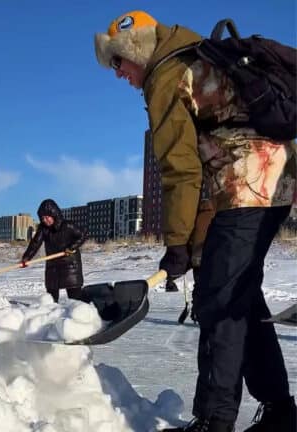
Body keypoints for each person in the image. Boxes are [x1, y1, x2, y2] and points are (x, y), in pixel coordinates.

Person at [94, 10, 296, 432]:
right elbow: (206, 168)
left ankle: (214, 421)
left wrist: (177, 243)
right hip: (269, 179)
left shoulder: (165, 77)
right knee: (239, 294)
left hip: (249, 183)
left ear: (137, 50)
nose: (118, 74)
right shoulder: (193, 57)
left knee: (219, 301)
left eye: (118, 62)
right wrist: (191, 244)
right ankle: (279, 411)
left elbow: (180, 170)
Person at [21, 199, 87, 303]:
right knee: (50, 301)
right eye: (42, 218)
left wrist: (71, 247)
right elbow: (35, 244)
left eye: (47, 217)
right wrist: (26, 258)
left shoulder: (67, 225)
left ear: (54, 214)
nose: (45, 220)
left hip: (70, 267)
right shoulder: (43, 229)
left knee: (76, 301)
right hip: (53, 267)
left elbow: (82, 235)